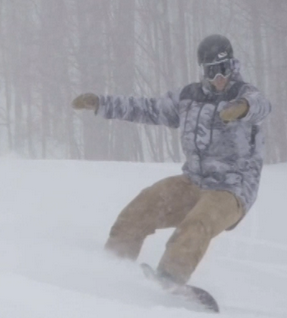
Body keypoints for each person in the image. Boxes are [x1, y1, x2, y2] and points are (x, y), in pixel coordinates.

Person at [71, 34, 271, 287]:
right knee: (140, 208)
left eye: (223, 69)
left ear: (232, 65)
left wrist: (241, 108)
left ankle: (170, 280)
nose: (219, 78)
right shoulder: (189, 97)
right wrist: (102, 103)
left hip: (232, 189)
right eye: (212, 71)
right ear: (203, 71)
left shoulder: (245, 94)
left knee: (196, 224)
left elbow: (261, 106)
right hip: (194, 181)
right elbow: (148, 108)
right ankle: (111, 269)